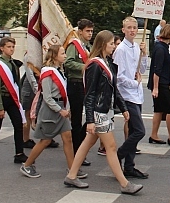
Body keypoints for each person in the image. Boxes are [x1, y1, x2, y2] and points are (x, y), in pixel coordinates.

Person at [64, 30, 143, 194]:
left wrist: (123, 108)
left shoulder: (106, 62)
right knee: (111, 147)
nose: (115, 46)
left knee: (88, 142)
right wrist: (91, 120)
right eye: (112, 43)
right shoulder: (95, 64)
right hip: (99, 112)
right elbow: (90, 94)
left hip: (105, 110)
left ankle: (71, 175)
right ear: (103, 44)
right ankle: (124, 184)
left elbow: (114, 89)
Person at [20, 45, 84, 179]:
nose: (65, 55)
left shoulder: (59, 71)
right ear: (54, 56)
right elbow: (47, 97)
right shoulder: (48, 72)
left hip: (61, 108)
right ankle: (27, 165)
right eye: (62, 53)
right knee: (46, 140)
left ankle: (72, 169)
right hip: (51, 110)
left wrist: (66, 108)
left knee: (68, 138)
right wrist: (60, 110)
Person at [113, 16, 149, 179]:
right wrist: (134, 84)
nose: (132, 30)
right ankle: (118, 155)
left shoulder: (136, 47)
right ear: (123, 30)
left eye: (134, 27)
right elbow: (119, 77)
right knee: (140, 131)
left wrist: (144, 53)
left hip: (137, 94)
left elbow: (141, 68)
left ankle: (129, 166)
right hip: (127, 94)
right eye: (129, 28)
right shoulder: (120, 50)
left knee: (135, 130)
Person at [64, 19, 94, 166]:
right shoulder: (74, 45)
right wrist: (83, 66)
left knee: (90, 115)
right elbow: (68, 62)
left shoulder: (87, 46)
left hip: (83, 83)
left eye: (91, 31)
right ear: (80, 31)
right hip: (75, 83)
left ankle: (80, 148)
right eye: (87, 31)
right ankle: (77, 153)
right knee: (76, 120)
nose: (90, 33)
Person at [148, 24, 170, 147]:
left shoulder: (161, 46)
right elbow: (157, 69)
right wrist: (156, 88)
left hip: (161, 83)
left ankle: (154, 134)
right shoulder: (161, 49)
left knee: (159, 110)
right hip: (161, 84)